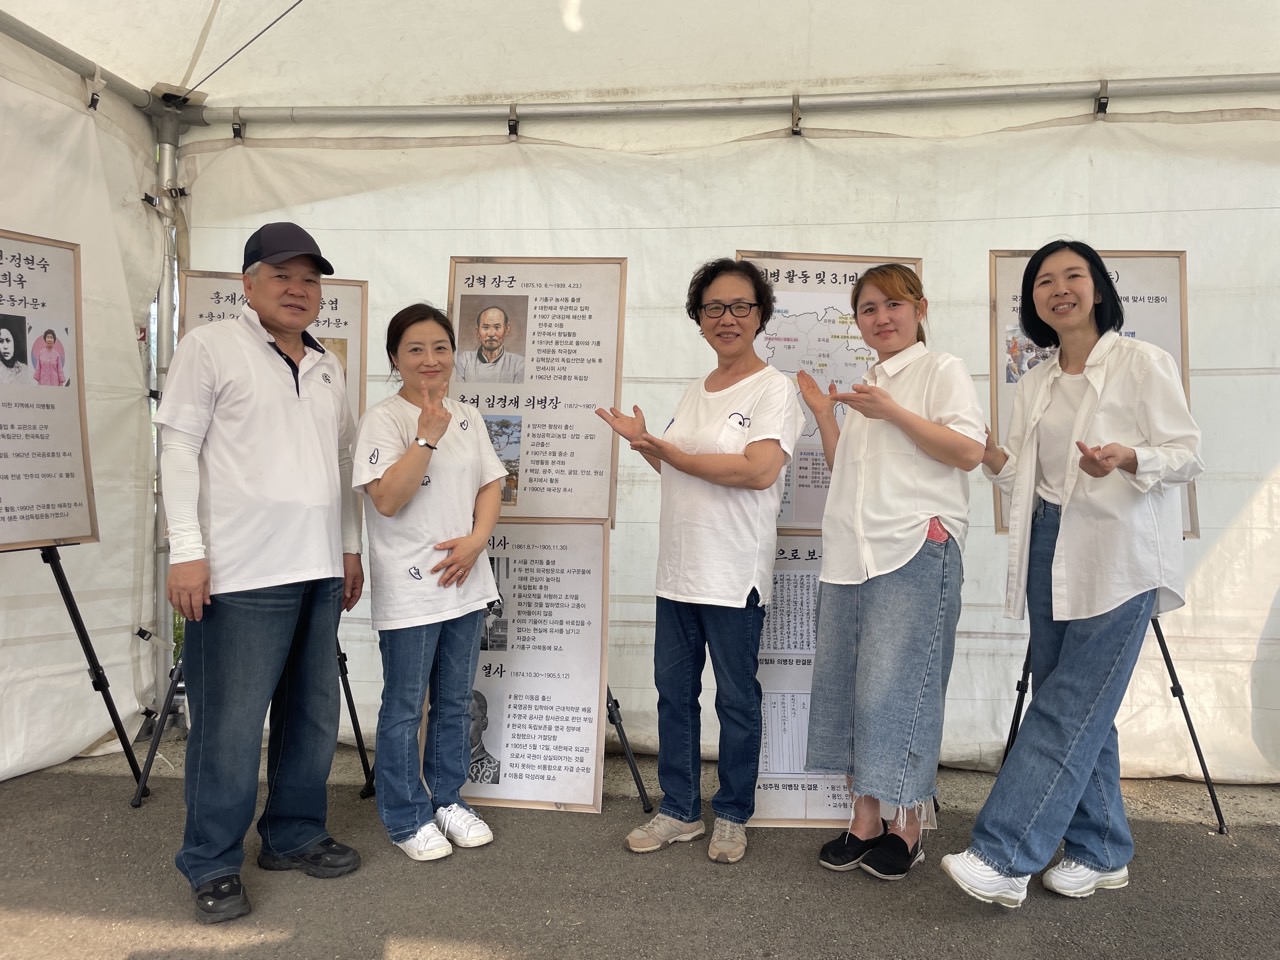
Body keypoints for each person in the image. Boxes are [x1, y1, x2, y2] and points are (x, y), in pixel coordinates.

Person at [941, 240, 1203, 908]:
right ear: (1033, 301)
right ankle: (1102, 849)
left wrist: (1128, 457)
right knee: (1081, 703)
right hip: (1048, 543)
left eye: (1073, 276)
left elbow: (1186, 454)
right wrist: (989, 456)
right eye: (1044, 281)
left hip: (1120, 551)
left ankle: (1003, 856)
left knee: (1067, 703)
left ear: (1098, 289)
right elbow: (1025, 477)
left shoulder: (1143, 363)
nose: (1059, 289)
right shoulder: (1036, 380)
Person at [155, 222, 365, 924]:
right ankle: (211, 860)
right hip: (240, 573)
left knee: (311, 715)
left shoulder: (327, 364)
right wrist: (186, 549)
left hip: (317, 570)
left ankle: (294, 833)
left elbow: (342, 461)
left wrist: (349, 547)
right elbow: (177, 447)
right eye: (282, 275)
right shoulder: (210, 346)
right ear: (248, 283)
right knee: (230, 726)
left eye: (309, 279)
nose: (297, 290)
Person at [597, 258, 804, 865]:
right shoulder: (695, 390)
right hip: (678, 571)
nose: (727, 318)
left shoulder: (773, 388)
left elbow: (757, 470)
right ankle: (681, 809)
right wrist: (646, 445)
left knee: (736, 700)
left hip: (733, 573)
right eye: (714, 307)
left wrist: (670, 452)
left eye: (740, 306)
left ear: (760, 315)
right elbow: (676, 469)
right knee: (674, 695)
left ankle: (733, 814)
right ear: (699, 317)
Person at [799, 264, 985, 881]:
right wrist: (826, 414)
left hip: (912, 545)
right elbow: (847, 469)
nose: (881, 318)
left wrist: (893, 412)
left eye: (893, 305)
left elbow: (969, 451)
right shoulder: (870, 385)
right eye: (868, 309)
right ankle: (864, 819)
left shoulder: (941, 369)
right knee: (853, 684)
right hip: (853, 554)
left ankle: (908, 826)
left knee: (904, 686)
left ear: (920, 308)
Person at [354, 302, 506, 862]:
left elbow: (491, 484)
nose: (430, 359)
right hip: (411, 587)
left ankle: (447, 799)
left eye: (440, 347)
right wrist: (424, 439)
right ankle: (405, 816)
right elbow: (387, 500)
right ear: (394, 358)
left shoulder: (468, 416)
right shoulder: (384, 419)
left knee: (455, 701)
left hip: (466, 581)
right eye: (415, 349)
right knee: (404, 707)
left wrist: (477, 540)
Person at [455, 305, 525, 383]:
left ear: (507, 329)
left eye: (497, 327)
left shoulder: (519, 364)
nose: (491, 334)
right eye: (485, 327)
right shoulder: (464, 360)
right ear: (477, 332)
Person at [467, 688, 502, 784]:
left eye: (469, 719)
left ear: (484, 723)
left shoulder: (495, 771)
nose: (462, 726)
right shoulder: (439, 762)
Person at [0, 320, 29, 385]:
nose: (5, 346)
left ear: (15, 343)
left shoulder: (25, 369)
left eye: (8, 341)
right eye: (1, 341)